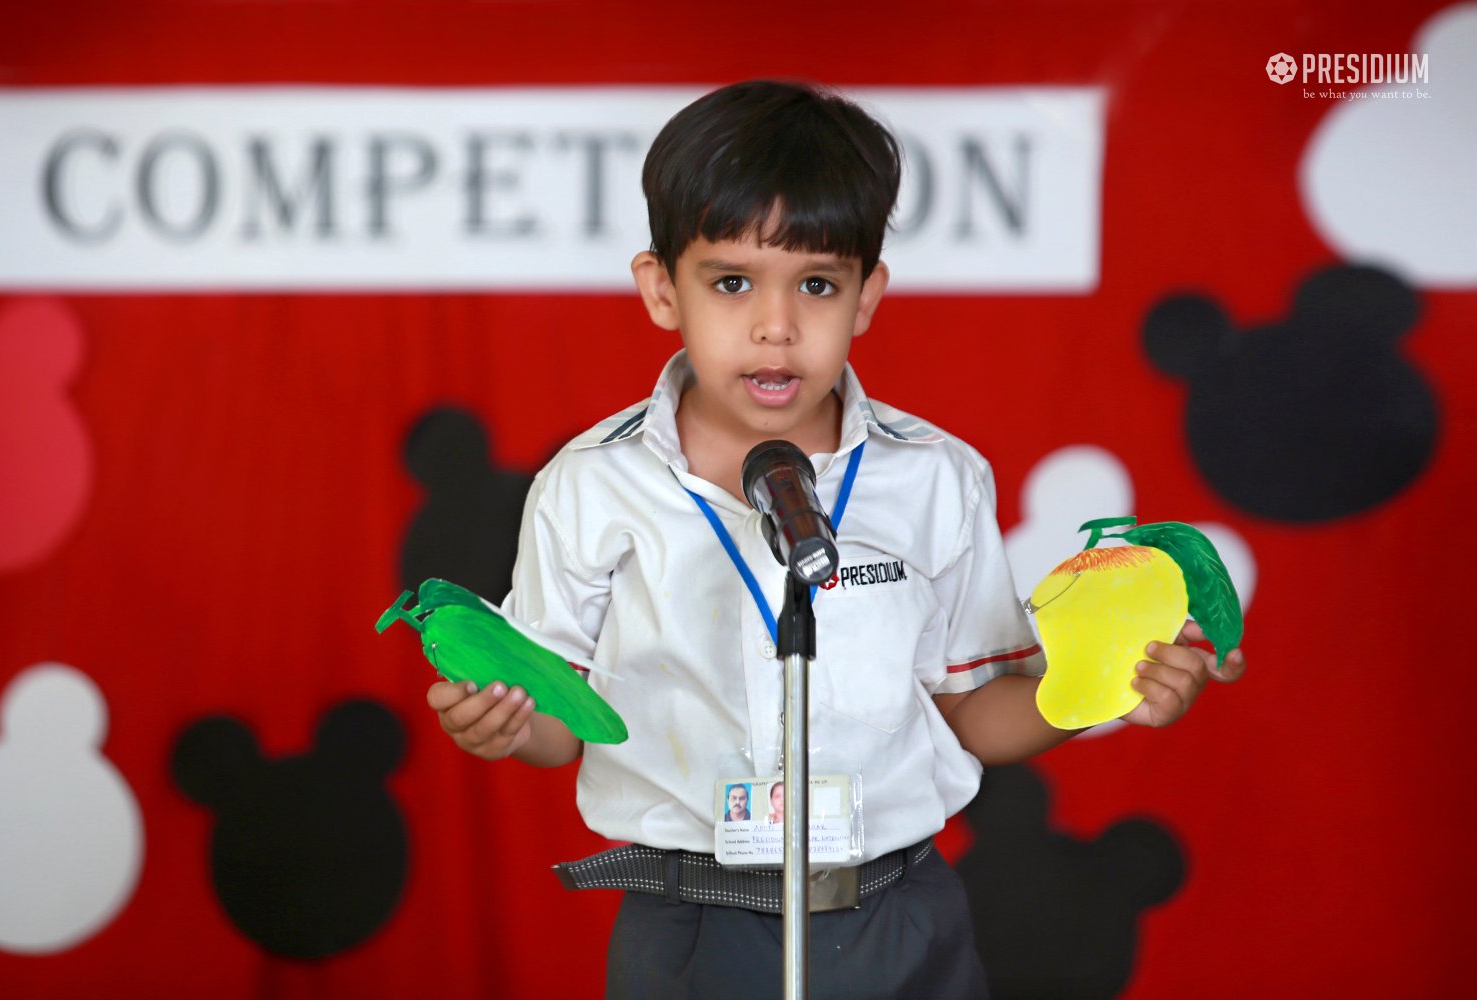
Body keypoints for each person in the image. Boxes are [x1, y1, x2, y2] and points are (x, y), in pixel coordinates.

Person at [426, 79, 1245, 999]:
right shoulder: (588, 483)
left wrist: (1104, 688)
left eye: (817, 284)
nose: (776, 326)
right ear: (661, 290)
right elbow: (560, 727)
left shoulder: (935, 476)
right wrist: (503, 720)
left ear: (866, 297)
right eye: (731, 282)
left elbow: (973, 711)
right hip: (689, 925)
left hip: (899, 916)